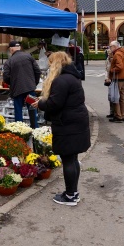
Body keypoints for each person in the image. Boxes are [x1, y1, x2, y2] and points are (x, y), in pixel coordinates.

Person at [31, 51, 90, 206]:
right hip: (77, 122)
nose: (49, 67)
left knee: (68, 160)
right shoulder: (73, 77)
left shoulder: (61, 81)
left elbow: (55, 104)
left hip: (68, 124)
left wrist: (41, 103)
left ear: (56, 64)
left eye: (50, 64)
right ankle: (73, 192)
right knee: (73, 159)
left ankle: (70, 196)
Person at [3, 40, 41, 128]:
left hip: (17, 90)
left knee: (18, 111)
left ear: (11, 49)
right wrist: (34, 83)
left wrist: (12, 83)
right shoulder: (29, 56)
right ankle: (35, 130)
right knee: (32, 109)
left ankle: (20, 132)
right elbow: (38, 71)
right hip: (30, 88)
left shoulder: (9, 61)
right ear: (19, 48)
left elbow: (6, 78)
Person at [108, 41, 124, 123]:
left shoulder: (117, 54)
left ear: (114, 46)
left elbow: (119, 66)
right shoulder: (123, 52)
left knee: (116, 96)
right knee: (121, 97)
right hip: (123, 77)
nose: (110, 48)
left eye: (110, 46)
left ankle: (118, 116)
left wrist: (111, 70)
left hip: (118, 77)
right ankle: (122, 115)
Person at [104, 48, 115, 119]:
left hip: (114, 79)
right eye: (107, 53)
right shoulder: (107, 60)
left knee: (114, 97)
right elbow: (106, 69)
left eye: (109, 53)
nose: (108, 54)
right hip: (109, 79)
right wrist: (106, 78)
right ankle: (111, 112)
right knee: (110, 97)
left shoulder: (114, 59)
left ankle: (115, 112)